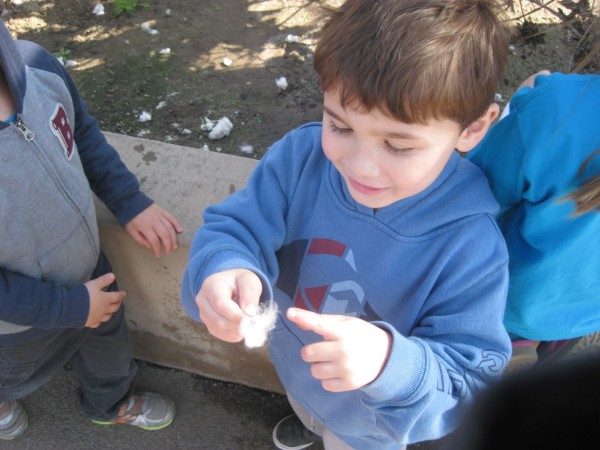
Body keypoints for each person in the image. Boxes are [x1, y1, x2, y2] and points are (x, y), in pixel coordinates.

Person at [181, 0, 512, 449]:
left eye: (398, 146)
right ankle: (312, 420)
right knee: (313, 409)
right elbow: (236, 228)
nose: (361, 167)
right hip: (299, 377)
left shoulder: (470, 249)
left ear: (472, 130)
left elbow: (469, 382)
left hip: (375, 429)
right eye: (339, 127)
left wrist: (390, 365)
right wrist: (223, 267)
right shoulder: (301, 160)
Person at [0, 18, 182, 440]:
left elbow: (80, 130)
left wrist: (128, 200)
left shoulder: (37, 66)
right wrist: (69, 308)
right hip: (16, 327)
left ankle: (109, 403)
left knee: (111, 354)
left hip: (90, 272)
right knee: (11, 375)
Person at [468, 71, 600, 372]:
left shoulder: (560, 106)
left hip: (501, 300)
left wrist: (517, 110)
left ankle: (505, 344)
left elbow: (476, 194)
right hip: (580, 316)